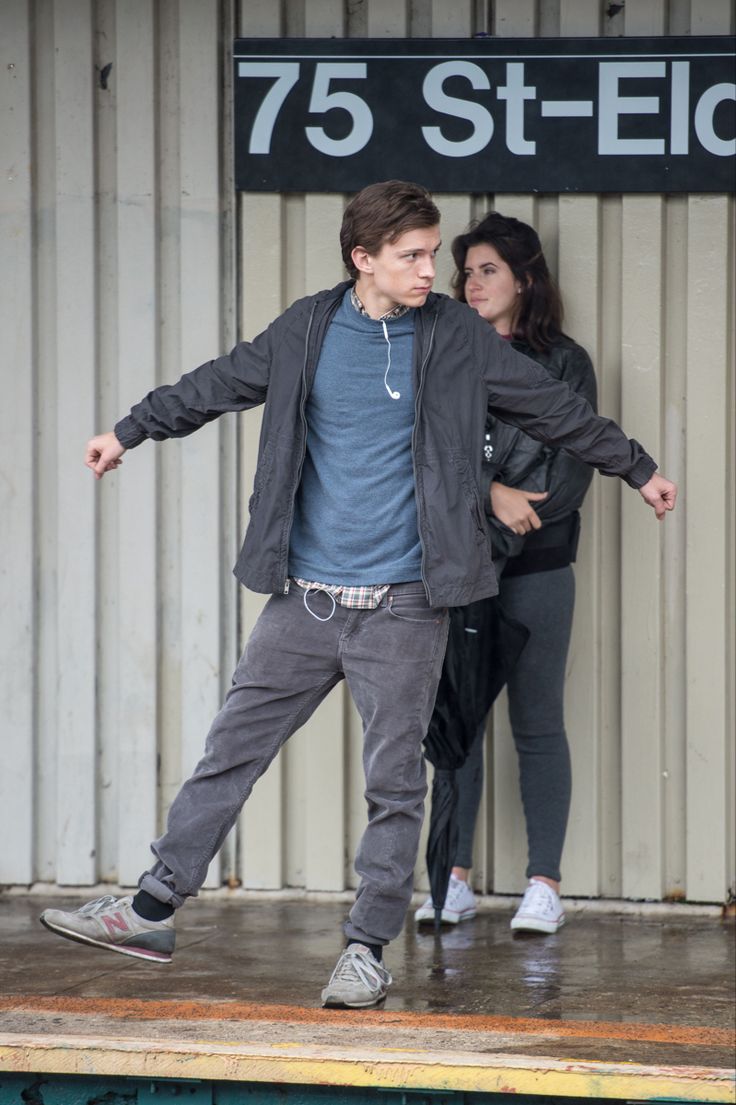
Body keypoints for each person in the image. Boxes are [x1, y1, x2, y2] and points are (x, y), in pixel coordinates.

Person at [39, 181, 676, 1009]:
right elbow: (215, 384)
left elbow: (553, 410)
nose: (428, 272)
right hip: (304, 601)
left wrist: (637, 466)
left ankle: (365, 950)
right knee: (231, 749)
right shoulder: (307, 329)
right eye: (410, 256)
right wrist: (127, 430)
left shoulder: (454, 337)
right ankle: (154, 906)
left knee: (394, 783)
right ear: (362, 258)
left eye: (430, 253)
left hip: (407, 603)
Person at [415, 211, 599, 934]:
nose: (471, 283)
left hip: (540, 566)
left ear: (525, 279)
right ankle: (452, 877)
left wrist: (515, 520)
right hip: (462, 567)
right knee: (458, 725)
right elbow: (427, 457)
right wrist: (491, 497)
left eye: (487, 269)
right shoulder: (442, 354)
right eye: (466, 272)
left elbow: (575, 462)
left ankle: (543, 886)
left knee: (537, 723)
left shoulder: (565, 362)